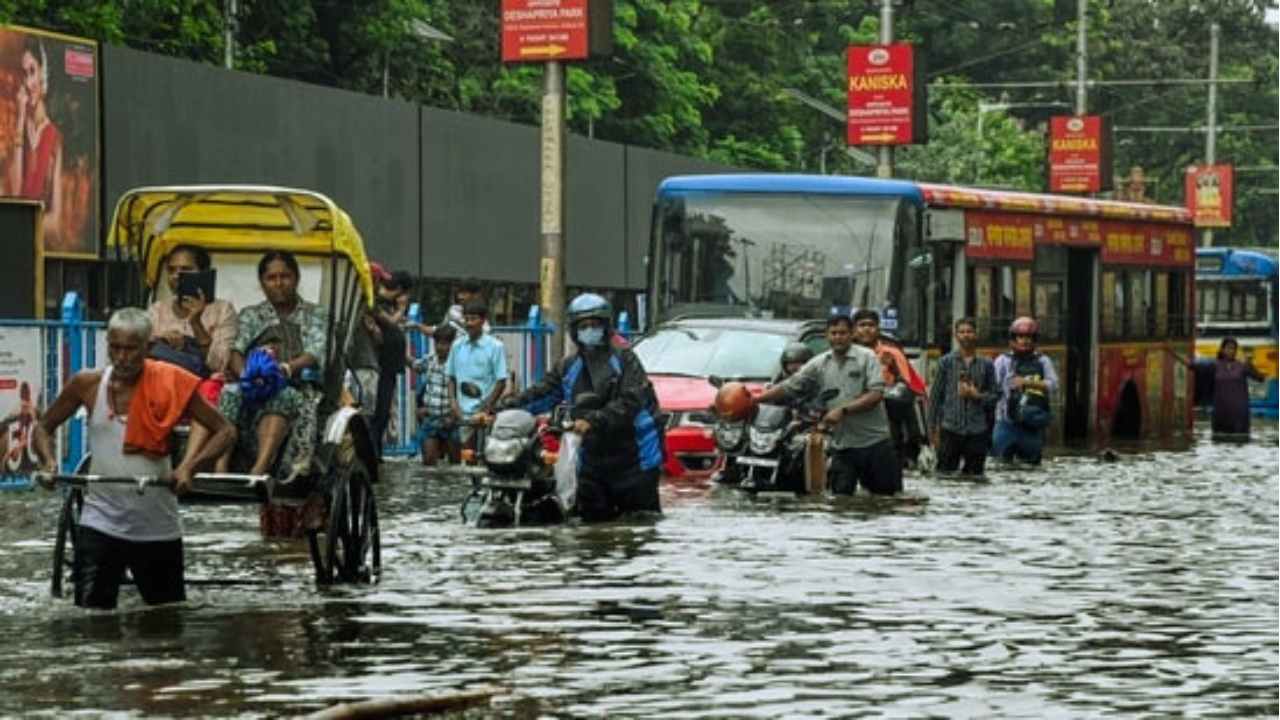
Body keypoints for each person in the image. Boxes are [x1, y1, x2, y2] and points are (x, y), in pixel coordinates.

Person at [32, 308, 235, 610]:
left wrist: (189, 468)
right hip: (100, 520)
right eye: (115, 348)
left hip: (156, 523)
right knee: (92, 620)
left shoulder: (171, 382)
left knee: (166, 618)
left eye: (131, 349)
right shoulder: (87, 384)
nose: (122, 357)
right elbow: (43, 427)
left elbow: (225, 431)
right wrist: (48, 464)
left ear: (149, 348)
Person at [498, 293, 664, 521]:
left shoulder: (625, 360)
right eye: (583, 326)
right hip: (592, 457)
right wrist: (503, 410)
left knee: (640, 524)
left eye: (594, 325)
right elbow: (542, 393)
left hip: (635, 458)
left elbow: (630, 401)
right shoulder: (569, 366)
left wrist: (593, 420)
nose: (589, 330)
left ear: (606, 327)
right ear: (574, 331)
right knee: (589, 525)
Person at [197, 250, 328, 478]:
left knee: (281, 395)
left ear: (296, 278)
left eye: (284, 276)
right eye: (271, 278)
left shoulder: (315, 314)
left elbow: (314, 353)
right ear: (262, 282)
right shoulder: (251, 315)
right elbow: (237, 350)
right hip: (253, 382)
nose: (278, 283)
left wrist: (285, 369)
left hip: (296, 386)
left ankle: (259, 469)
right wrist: (246, 376)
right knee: (229, 392)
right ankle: (220, 468)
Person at [754, 314, 901, 495]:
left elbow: (876, 394)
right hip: (842, 446)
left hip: (874, 443)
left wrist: (843, 410)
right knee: (839, 502)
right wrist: (754, 400)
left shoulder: (867, 358)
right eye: (834, 333)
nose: (838, 337)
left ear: (852, 334)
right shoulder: (819, 363)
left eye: (843, 333)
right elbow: (789, 386)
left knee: (885, 501)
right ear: (827, 336)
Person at [147, 245, 238, 384]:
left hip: (204, 390)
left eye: (186, 270)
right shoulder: (157, 310)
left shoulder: (223, 310)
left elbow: (219, 365)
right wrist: (162, 339)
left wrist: (196, 323)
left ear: (204, 273)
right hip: (162, 386)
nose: (176, 276)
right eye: (171, 270)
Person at [852, 309, 928, 468]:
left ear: (878, 328)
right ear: (854, 330)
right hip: (852, 418)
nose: (866, 329)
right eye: (862, 325)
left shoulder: (892, 354)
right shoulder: (846, 354)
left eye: (871, 325)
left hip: (886, 417)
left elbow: (908, 387)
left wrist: (882, 393)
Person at [6, 37, 63, 245]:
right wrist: (20, 119)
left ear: (43, 74)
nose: (27, 83)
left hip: (35, 242)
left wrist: (22, 226)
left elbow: (56, 220)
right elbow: (15, 192)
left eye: (32, 72)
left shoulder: (54, 137)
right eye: (23, 75)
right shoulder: (17, 128)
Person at [928, 318, 999, 476]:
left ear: (976, 334)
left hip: (977, 430)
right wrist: (932, 430)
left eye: (969, 331)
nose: (966, 335)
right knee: (945, 476)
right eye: (962, 332)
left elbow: (995, 396)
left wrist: (977, 395)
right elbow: (935, 398)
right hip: (950, 428)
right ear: (956, 335)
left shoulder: (986, 364)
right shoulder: (945, 362)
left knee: (975, 478)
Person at [992, 316, 1059, 466]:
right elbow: (993, 387)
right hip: (1005, 423)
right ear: (1013, 339)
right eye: (1020, 337)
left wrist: (1028, 383)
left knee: (1032, 467)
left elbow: (1053, 384)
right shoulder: (1002, 360)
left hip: (1032, 425)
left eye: (1029, 337)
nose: (1025, 340)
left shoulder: (1043, 361)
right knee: (1000, 465)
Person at [446, 300, 507, 450]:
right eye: (466, 319)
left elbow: (501, 380)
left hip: (483, 414)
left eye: (473, 319)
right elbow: (451, 377)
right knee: (464, 458)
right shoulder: (457, 345)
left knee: (485, 455)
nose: (469, 323)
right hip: (461, 413)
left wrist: (487, 406)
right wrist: (453, 403)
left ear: (483, 320)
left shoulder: (496, 347)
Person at [370, 268, 412, 457]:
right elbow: (390, 323)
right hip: (380, 365)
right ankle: (374, 452)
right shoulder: (374, 302)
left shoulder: (386, 303)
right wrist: (401, 309)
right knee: (378, 410)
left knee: (385, 411)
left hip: (390, 367)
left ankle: (377, 451)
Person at [1201, 337, 1264, 437]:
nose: (1231, 351)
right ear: (1222, 349)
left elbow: (1260, 378)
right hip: (1220, 415)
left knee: (1239, 440)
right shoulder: (1214, 365)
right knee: (1219, 440)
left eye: (1233, 348)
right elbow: (1194, 367)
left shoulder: (1242, 366)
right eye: (1228, 348)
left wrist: (1251, 365)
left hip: (1239, 416)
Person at [414, 323, 458, 465]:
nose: (440, 347)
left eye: (445, 343)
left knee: (456, 465)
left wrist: (454, 415)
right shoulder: (430, 359)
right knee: (428, 463)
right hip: (430, 419)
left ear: (452, 344)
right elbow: (415, 365)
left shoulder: (459, 363)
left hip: (451, 421)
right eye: (437, 343)